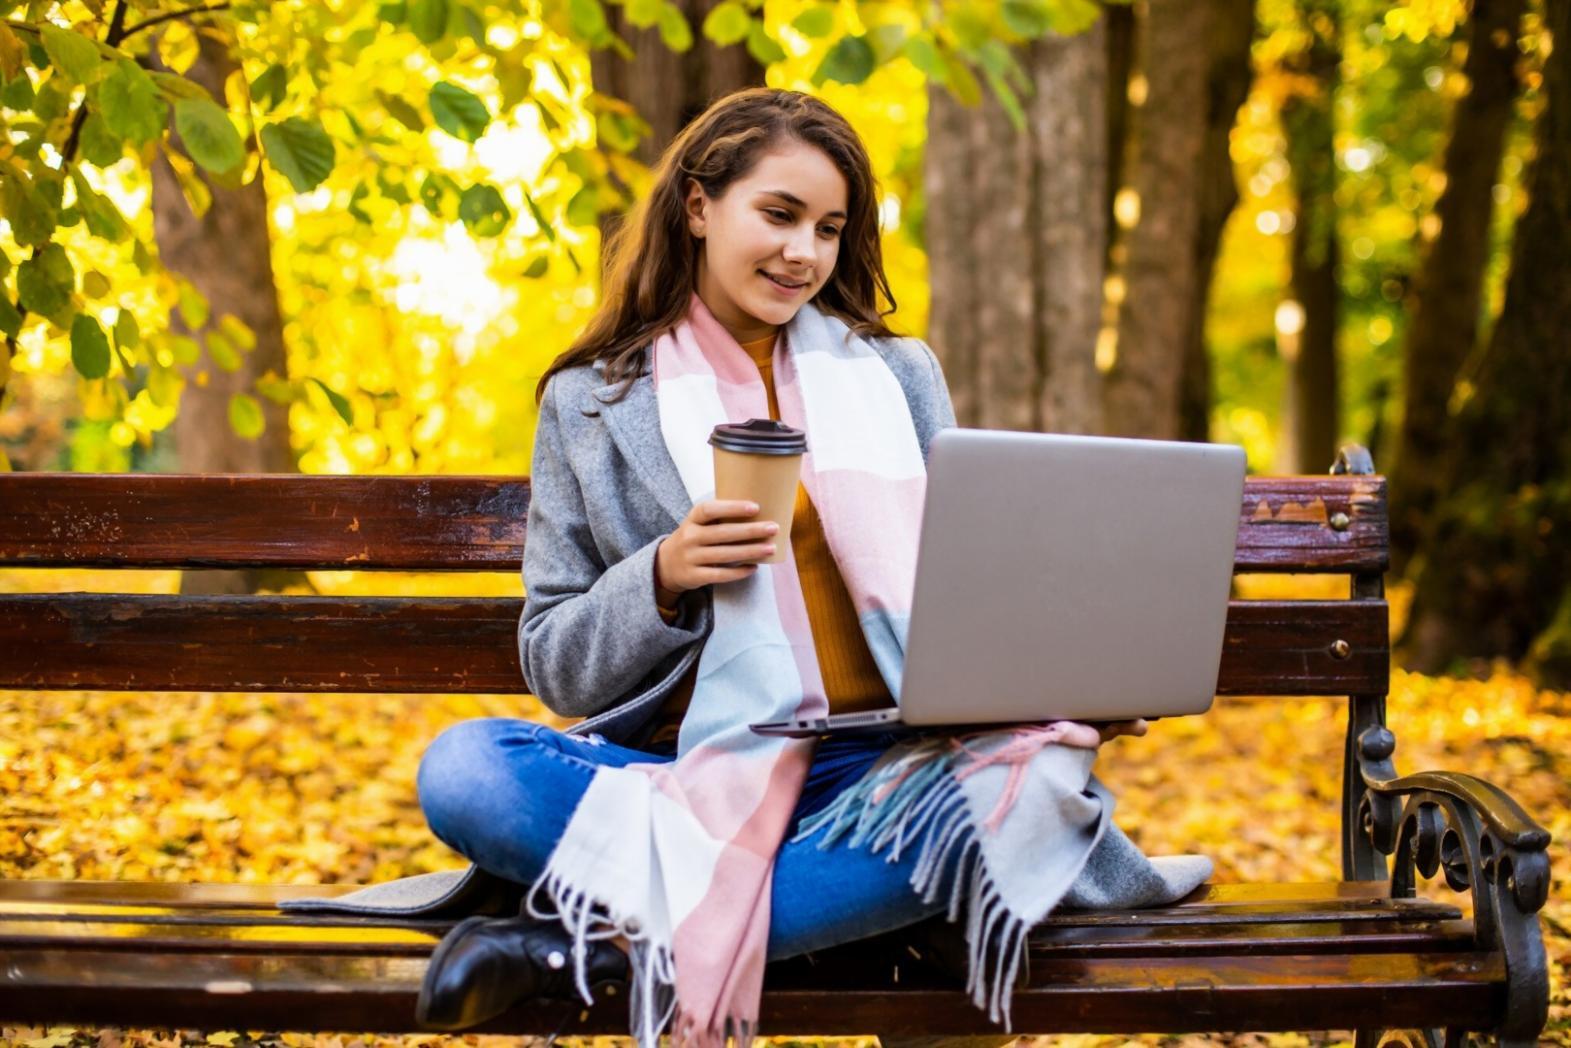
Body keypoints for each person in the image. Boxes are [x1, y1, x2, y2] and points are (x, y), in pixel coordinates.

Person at [412, 87, 1154, 1046]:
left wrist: (1069, 684)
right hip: (694, 767)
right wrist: (663, 576)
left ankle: (603, 951)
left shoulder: (898, 376)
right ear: (697, 206)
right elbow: (556, 663)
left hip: (893, 766)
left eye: (830, 228)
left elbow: (982, 587)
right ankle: (836, 911)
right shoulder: (591, 402)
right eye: (779, 214)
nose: (804, 251)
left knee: (1024, 799)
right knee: (465, 770)